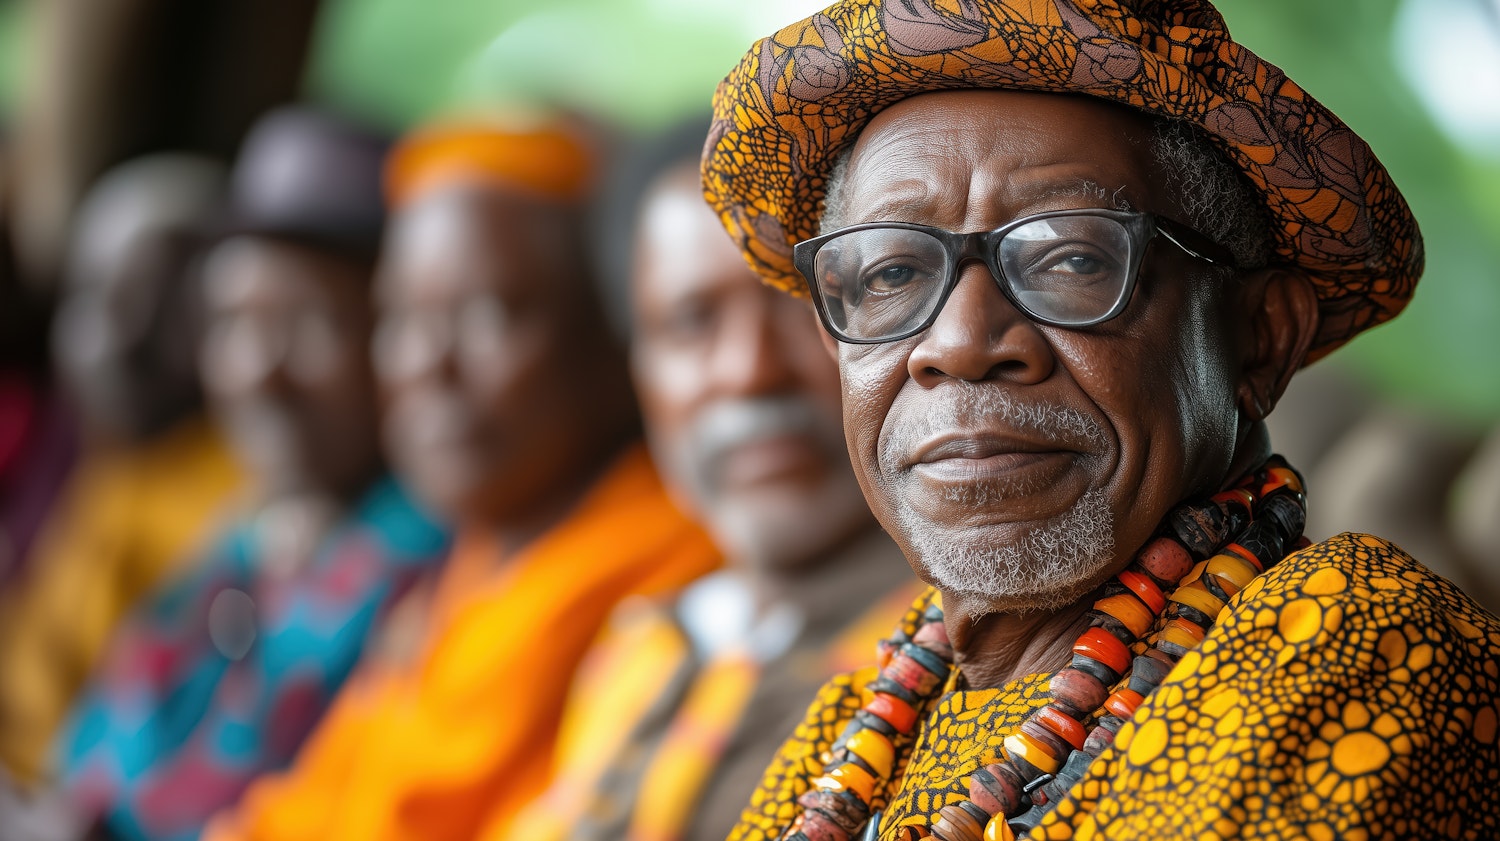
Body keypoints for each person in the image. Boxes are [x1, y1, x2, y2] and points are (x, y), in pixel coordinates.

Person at [698, 1, 1500, 838]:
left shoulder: (1350, 648)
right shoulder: (850, 729)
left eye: (1072, 257)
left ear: (1260, 339)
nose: (960, 342)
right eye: (892, 273)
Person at [204, 115, 720, 841]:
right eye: (402, 318)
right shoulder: (472, 563)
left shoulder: (668, 577)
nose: (428, 364)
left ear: (608, 340)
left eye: (490, 312)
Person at [506, 123, 917, 841]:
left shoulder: (974, 661)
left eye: (798, 301)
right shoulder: (641, 648)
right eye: (692, 322)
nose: (748, 367)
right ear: (638, 376)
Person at [50, 106, 451, 841]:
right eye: (234, 323)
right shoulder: (243, 533)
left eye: (307, 325)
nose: (260, 369)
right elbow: (85, 757)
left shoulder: (432, 567)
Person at [0, 155, 243, 788]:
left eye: (166, 308)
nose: (121, 337)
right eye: (95, 296)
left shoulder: (233, 509)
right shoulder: (95, 463)